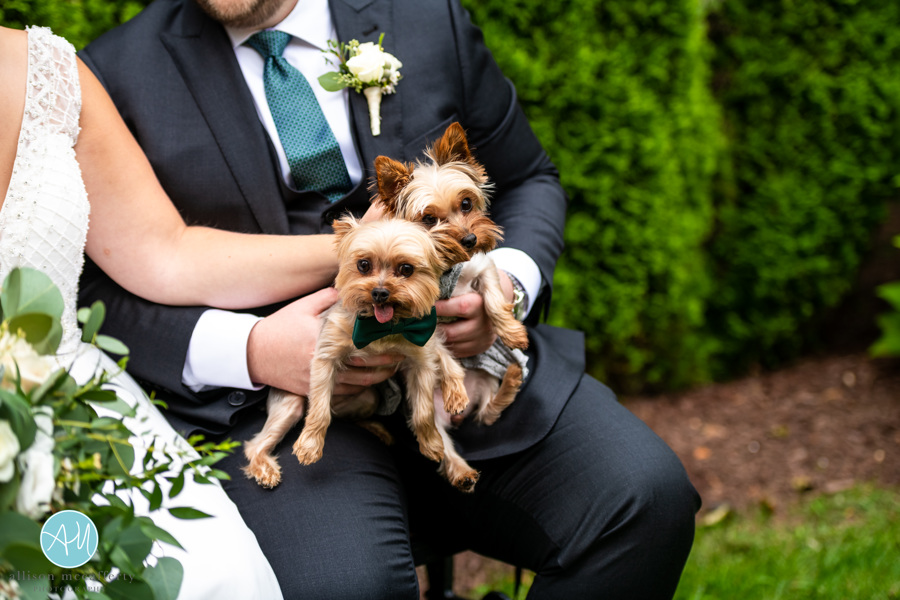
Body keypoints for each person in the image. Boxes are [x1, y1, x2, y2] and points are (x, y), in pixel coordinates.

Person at [79, 0, 702, 598]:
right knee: (344, 587)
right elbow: (90, 283)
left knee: (643, 502)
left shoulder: (426, 14)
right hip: (285, 407)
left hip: (464, 374)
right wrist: (248, 349)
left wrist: (504, 286)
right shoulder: (114, 73)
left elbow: (526, 176)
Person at [1, 22, 367, 599]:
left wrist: (369, 250)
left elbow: (166, 253)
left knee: (202, 577)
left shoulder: (48, 70)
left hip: (72, 415)